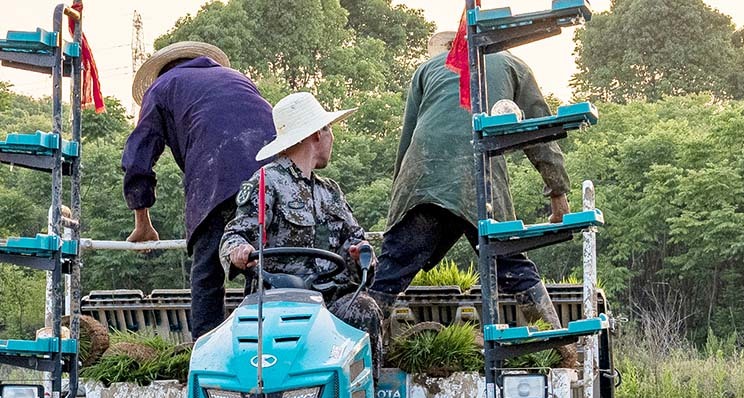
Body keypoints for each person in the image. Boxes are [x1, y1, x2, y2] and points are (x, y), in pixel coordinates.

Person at [369, 32, 577, 367]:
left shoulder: (426, 70)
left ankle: (368, 363)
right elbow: (541, 133)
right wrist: (558, 193)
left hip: (422, 178)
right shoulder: (513, 65)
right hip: (478, 178)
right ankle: (565, 350)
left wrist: (399, 212)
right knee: (512, 264)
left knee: (390, 273)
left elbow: (408, 139)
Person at [219, 91, 384, 376]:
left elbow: (357, 239)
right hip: (279, 300)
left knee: (364, 310)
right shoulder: (266, 182)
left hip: (331, 300)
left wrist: (361, 253)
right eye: (329, 129)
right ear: (317, 135)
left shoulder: (330, 191)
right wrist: (238, 251)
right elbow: (233, 235)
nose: (332, 138)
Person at [122, 42, 276, 340]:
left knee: (208, 274)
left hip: (216, 175)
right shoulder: (238, 78)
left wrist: (143, 222)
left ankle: (206, 359)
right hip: (273, 176)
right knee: (267, 268)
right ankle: (272, 354)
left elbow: (138, 156)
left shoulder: (162, 87)